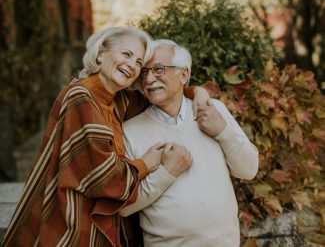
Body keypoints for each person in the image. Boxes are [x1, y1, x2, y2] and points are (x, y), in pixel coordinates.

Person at [3, 27, 209, 247]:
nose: (132, 65)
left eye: (139, 62)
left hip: (95, 216)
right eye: (126, 54)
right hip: (71, 215)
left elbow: (161, 94)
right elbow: (105, 179)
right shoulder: (80, 96)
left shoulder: (118, 101)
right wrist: (146, 164)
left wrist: (196, 92)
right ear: (101, 53)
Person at [121, 39, 259, 247]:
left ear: (183, 74)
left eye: (159, 69)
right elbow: (123, 206)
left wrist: (223, 131)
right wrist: (166, 173)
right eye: (144, 72)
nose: (149, 79)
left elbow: (249, 170)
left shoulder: (214, 111)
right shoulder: (131, 131)